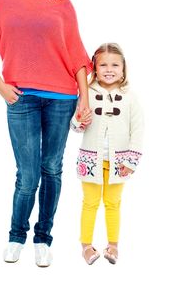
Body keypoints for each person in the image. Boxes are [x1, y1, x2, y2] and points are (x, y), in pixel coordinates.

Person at [0, 0, 92, 267]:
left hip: (62, 98)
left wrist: (84, 99)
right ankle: (16, 236)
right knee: (27, 174)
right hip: (21, 98)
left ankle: (43, 237)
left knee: (51, 169)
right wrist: (0, 85)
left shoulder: (63, 7)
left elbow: (77, 55)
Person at [71, 43, 144, 265]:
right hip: (90, 160)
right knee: (90, 202)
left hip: (119, 162)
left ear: (123, 69)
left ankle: (113, 245)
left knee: (113, 203)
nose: (109, 69)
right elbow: (74, 125)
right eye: (103, 65)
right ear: (94, 67)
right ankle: (86, 246)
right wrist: (79, 122)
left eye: (115, 65)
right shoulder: (87, 94)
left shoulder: (130, 97)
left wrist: (131, 161)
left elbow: (138, 129)